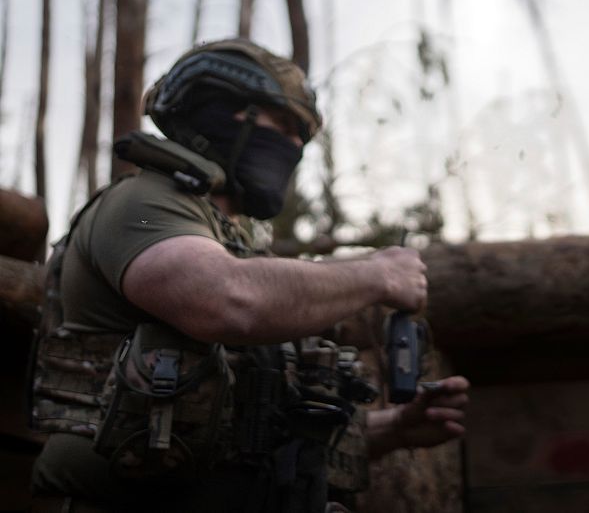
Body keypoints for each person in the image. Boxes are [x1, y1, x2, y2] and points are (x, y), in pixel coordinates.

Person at [29, 39, 468, 513]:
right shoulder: (141, 202)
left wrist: (395, 429)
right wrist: (377, 275)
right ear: (217, 111)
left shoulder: (233, 245)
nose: (295, 146)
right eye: (283, 125)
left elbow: (252, 427)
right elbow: (224, 300)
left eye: (302, 136)